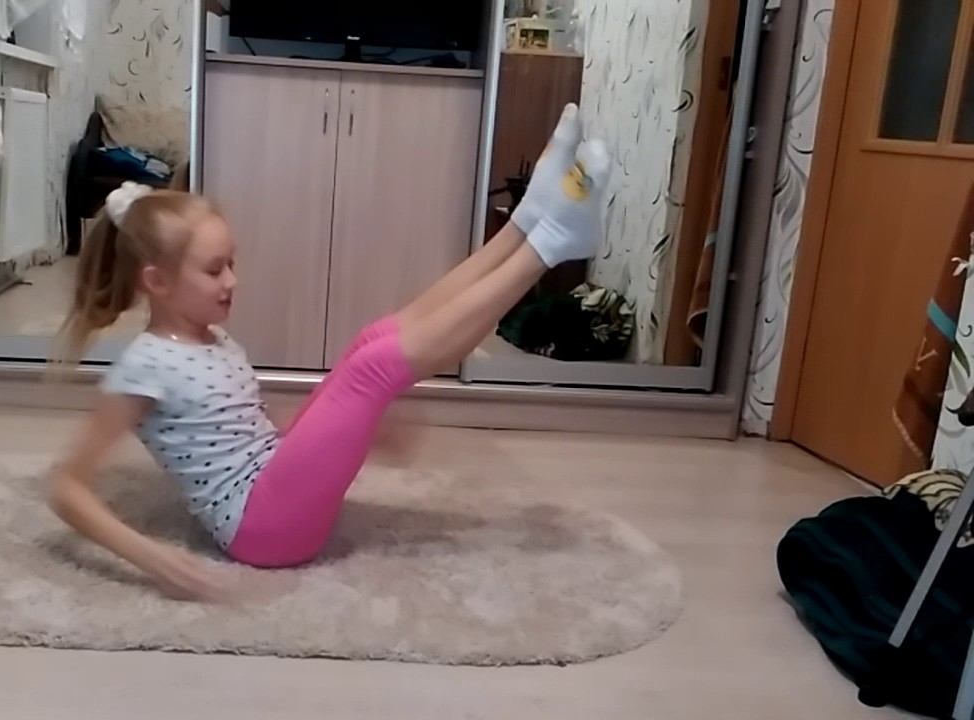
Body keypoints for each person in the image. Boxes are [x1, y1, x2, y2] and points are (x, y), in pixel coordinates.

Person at [49, 104, 611, 601]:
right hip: (261, 530)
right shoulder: (144, 366)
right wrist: (153, 559)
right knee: (372, 369)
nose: (232, 281)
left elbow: (237, 429)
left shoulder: (212, 338)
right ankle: (551, 242)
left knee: (371, 342)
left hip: (274, 483)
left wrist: (341, 431)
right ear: (158, 281)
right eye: (213, 270)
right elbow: (65, 488)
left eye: (232, 264)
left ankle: (525, 223)